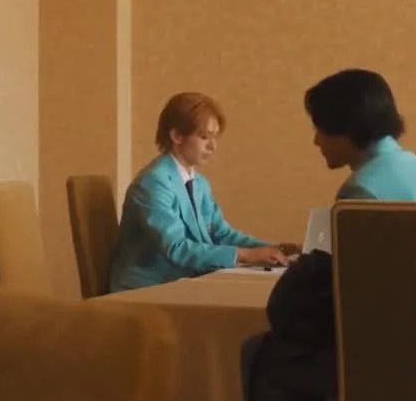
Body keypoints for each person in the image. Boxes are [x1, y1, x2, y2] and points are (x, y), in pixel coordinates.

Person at [217, 68, 416, 401]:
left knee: (265, 354)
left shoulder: (361, 191)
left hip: (375, 362)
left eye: (319, 128)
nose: (314, 141)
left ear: (345, 127)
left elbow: (337, 299)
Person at [107, 92, 297, 293]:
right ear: (176, 136)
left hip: (182, 282)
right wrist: (247, 255)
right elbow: (177, 248)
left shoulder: (199, 183)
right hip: (146, 288)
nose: (212, 146)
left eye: (215, 137)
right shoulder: (153, 183)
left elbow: (221, 233)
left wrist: (272, 249)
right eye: (204, 137)